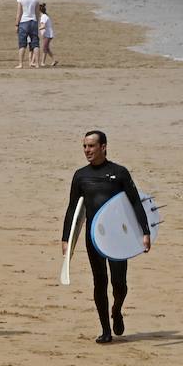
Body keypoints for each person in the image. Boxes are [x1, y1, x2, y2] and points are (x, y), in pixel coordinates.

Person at [61, 130, 151, 344]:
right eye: (84, 146)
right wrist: (67, 238)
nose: (87, 151)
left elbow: (135, 202)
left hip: (118, 237)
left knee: (119, 284)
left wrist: (145, 231)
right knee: (99, 282)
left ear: (103, 147)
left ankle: (117, 309)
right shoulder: (80, 176)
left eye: (91, 146)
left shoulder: (119, 173)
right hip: (94, 237)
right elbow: (74, 209)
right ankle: (105, 330)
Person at [15, 0, 41, 69]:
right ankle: (37, 63)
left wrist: (16, 24)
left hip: (24, 22)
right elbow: (37, 12)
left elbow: (19, 13)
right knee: (35, 44)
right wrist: (37, 21)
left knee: (22, 44)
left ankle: (21, 64)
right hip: (33, 21)